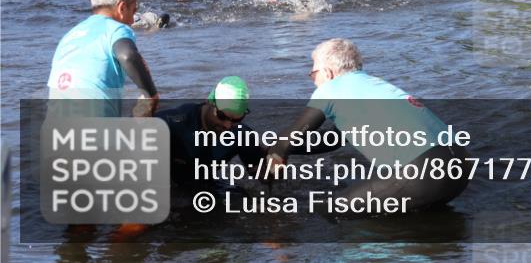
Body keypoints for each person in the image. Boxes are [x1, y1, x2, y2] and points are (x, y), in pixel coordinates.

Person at [267, 39, 470, 215]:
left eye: (313, 74)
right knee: (417, 218)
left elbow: (289, 139)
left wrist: (272, 154)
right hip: (459, 166)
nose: (314, 81)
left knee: (328, 210)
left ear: (327, 72)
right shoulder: (372, 85)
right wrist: (286, 149)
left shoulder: (330, 89)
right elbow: (332, 141)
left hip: (420, 173)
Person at [46, 0, 159, 118]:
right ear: (122, 8)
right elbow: (127, 55)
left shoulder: (70, 35)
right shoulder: (116, 28)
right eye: (133, 10)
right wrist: (151, 94)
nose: (131, 20)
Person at [155, 76, 265, 185]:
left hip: (207, 185)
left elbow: (263, 175)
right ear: (209, 101)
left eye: (237, 119)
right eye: (222, 116)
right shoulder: (173, 122)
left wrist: (277, 158)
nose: (227, 125)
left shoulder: (241, 135)